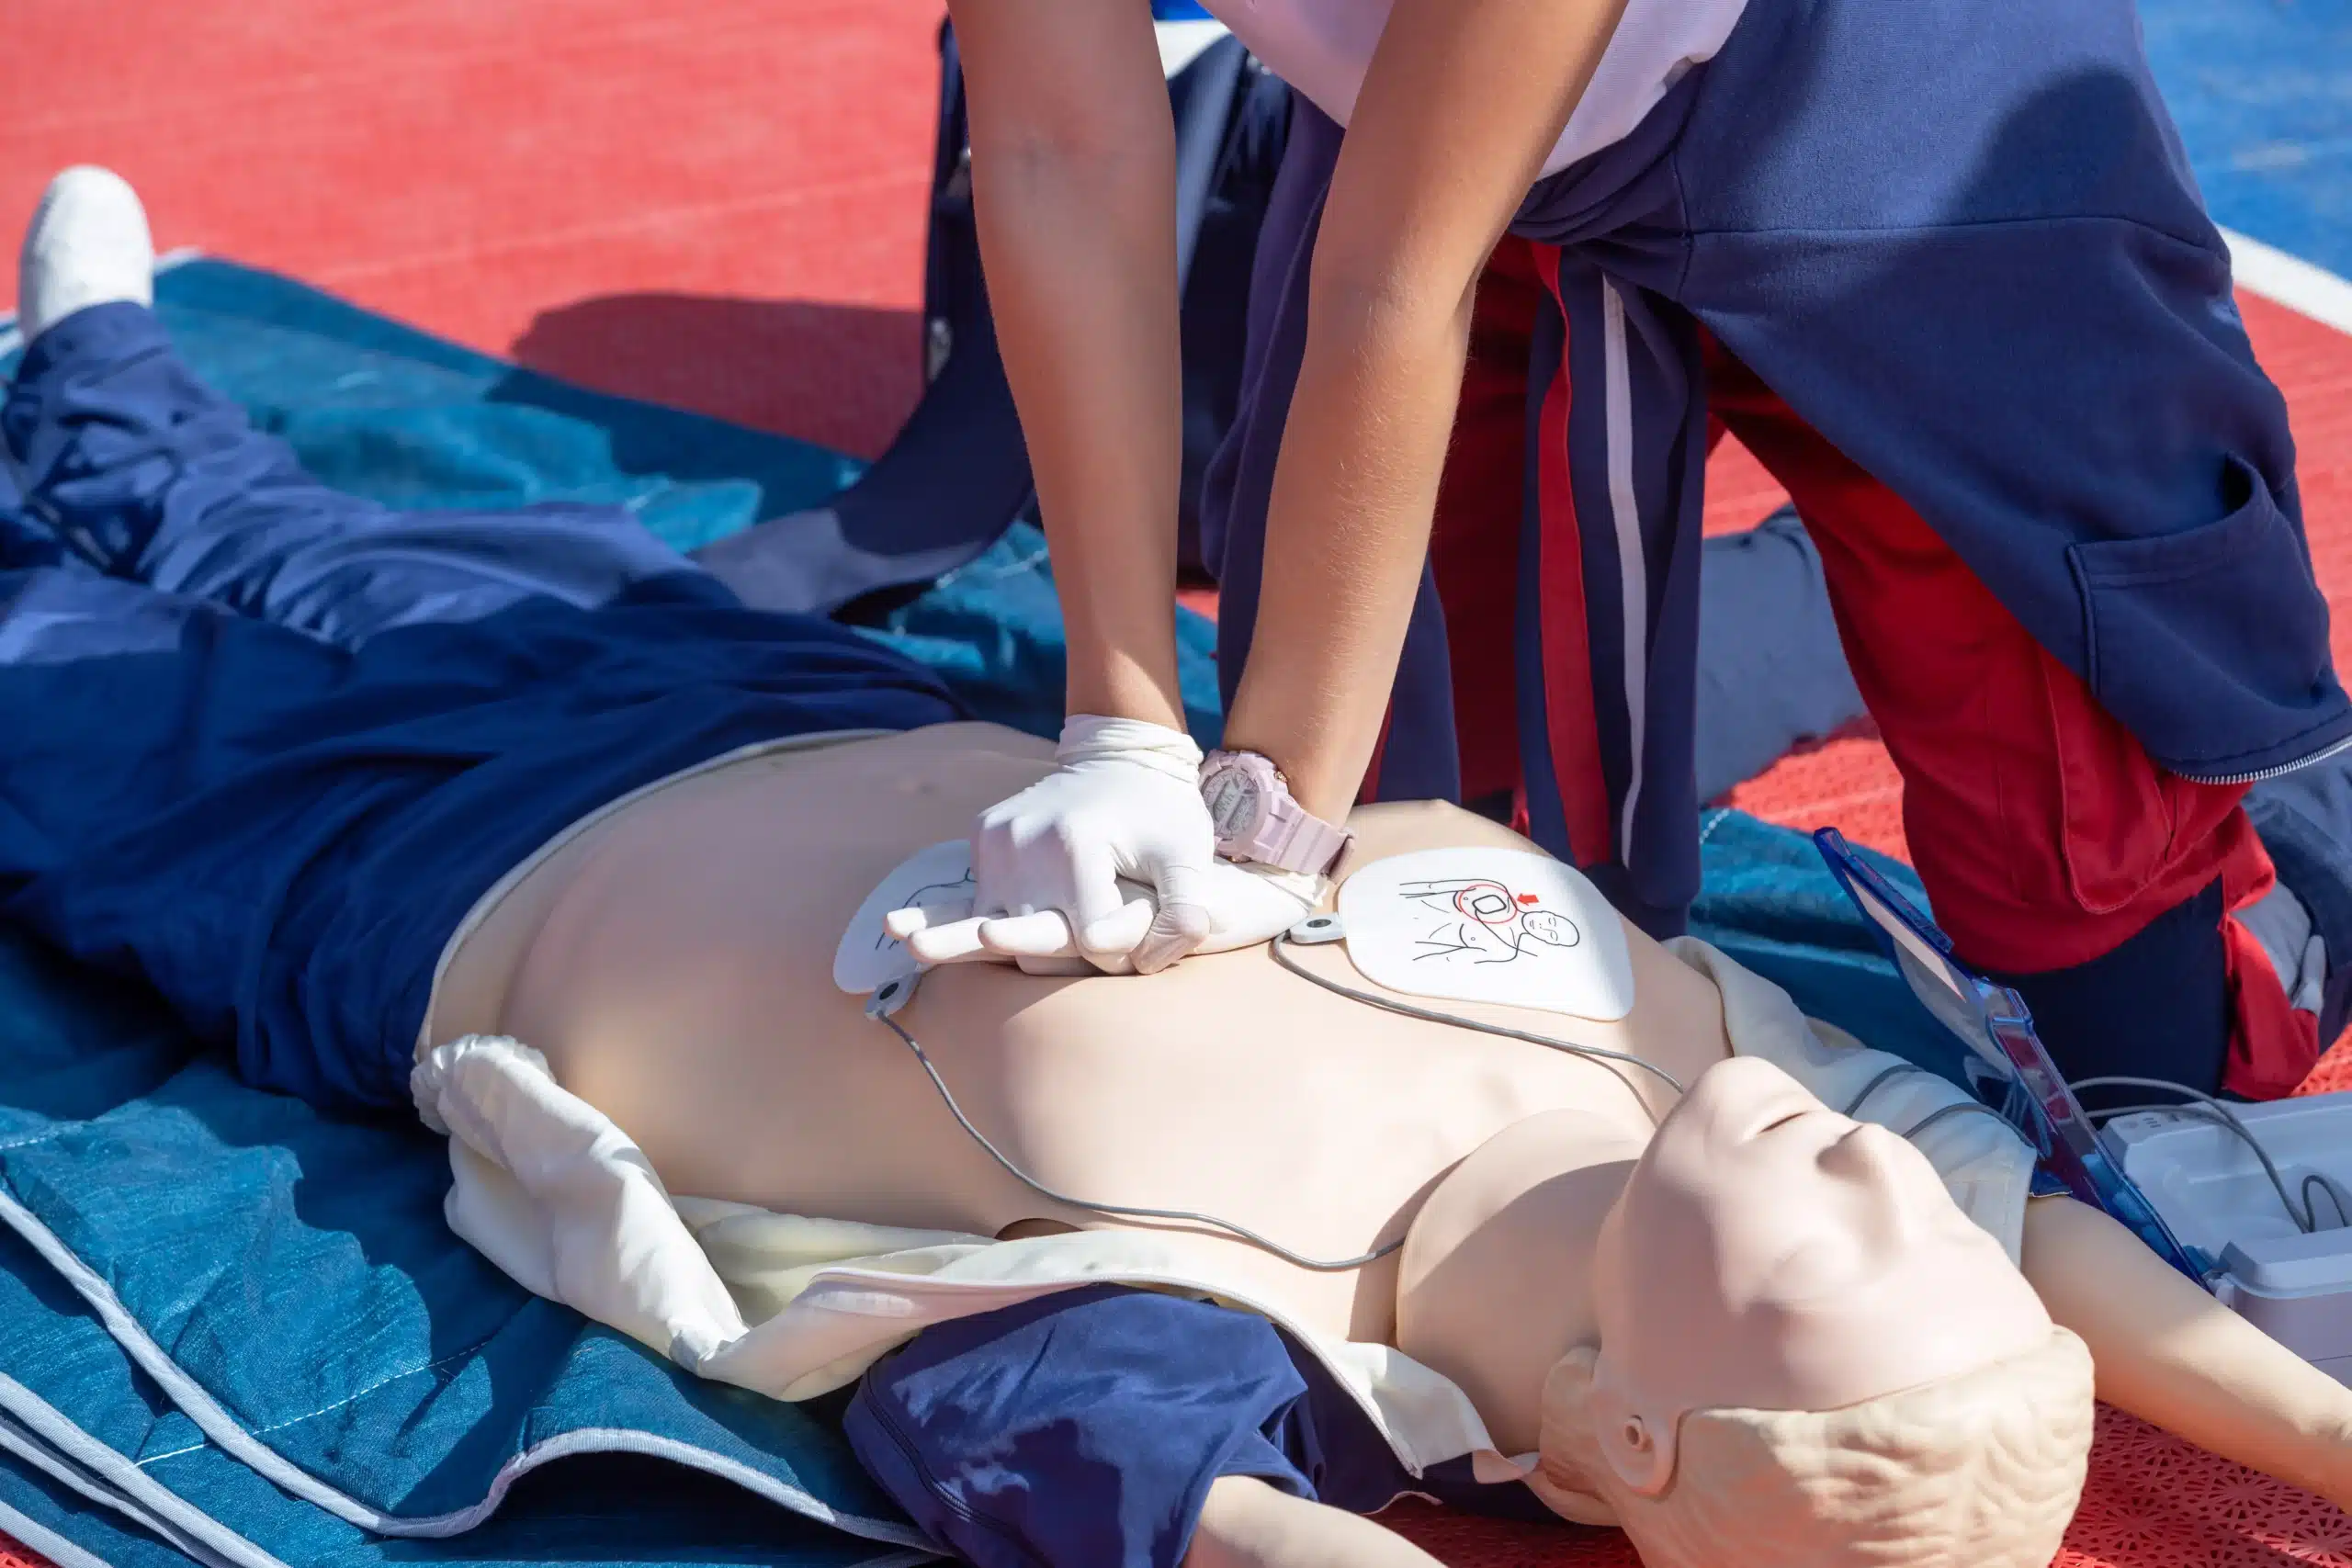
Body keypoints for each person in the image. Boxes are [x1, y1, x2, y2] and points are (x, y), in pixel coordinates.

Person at [6, 171, 2351, 1568]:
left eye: (1849, 1253)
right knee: (330, 538)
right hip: (778, 715)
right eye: (1910, 1202)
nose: (1877, 1164)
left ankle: (89, 419)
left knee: (65, 672)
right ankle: (103, 370)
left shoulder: (1226, 1347)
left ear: (1628, 1434)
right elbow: (2032, 1234)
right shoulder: (1694, 1062)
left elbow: (1162, 1509)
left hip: (396, 884)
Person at [916, 0, 2350, 1110]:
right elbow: (1057, 147)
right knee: (1442, 894)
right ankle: (1810, 591)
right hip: (1439, 119)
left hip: (1864, 93)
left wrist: (1263, 819)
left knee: (2145, 1062)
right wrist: (1121, 726)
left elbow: (1395, 276)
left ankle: (2314, 850)